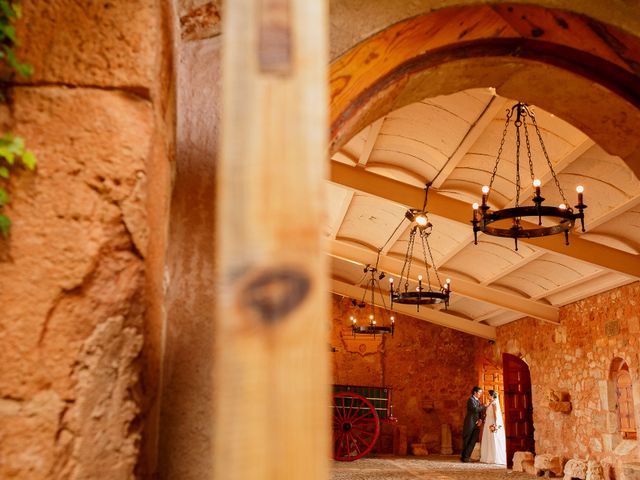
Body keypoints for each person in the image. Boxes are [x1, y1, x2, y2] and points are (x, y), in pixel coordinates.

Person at [461, 386, 488, 462]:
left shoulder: (478, 401)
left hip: (477, 424)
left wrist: (480, 420)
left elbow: (479, 412)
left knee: (473, 441)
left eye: (481, 392)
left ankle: (467, 456)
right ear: (475, 392)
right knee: (467, 439)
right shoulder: (470, 400)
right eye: (479, 392)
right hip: (470, 423)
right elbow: (474, 409)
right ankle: (464, 457)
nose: (480, 394)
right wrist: (484, 406)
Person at [480, 390, 507, 465]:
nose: (487, 396)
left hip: (491, 422)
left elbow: (495, 414)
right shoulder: (490, 403)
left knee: (492, 438)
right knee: (488, 438)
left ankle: (493, 457)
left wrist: (495, 424)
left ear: (492, 396)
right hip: (488, 422)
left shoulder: (494, 403)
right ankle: (488, 456)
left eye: (488, 395)